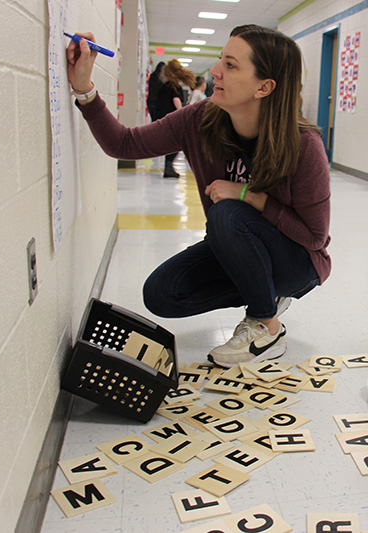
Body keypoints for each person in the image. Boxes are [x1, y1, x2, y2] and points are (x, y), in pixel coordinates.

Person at [66, 25, 331, 367]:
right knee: (161, 293)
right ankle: (263, 292)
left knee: (227, 213)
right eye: (221, 59)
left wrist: (250, 195)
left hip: (297, 262)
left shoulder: (303, 144)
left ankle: (266, 324)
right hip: (238, 243)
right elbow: (125, 144)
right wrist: (84, 89)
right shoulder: (200, 119)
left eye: (231, 65)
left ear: (264, 87)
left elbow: (315, 237)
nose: (215, 72)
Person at [153, 59, 196, 178]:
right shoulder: (175, 87)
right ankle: (168, 167)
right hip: (172, 120)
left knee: (171, 143)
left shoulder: (164, 87)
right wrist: (182, 113)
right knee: (176, 143)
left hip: (161, 119)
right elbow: (176, 100)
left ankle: (168, 167)